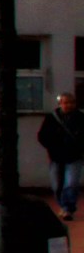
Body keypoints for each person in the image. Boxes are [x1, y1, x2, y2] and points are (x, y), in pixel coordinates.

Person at [40, 91, 84, 222]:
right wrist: (51, 147)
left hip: (74, 156)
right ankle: (63, 205)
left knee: (71, 183)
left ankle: (67, 208)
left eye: (72, 103)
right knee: (57, 185)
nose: (69, 105)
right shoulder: (52, 119)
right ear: (60, 104)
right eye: (66, 103)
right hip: (56, 156)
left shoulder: (81, 118)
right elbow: (42, 136)